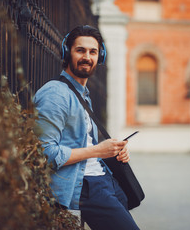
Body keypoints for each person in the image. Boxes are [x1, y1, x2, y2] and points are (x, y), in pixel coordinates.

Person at [34, 25, 139, 230]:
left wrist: (112, 150)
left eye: (93, 52)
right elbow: (45, 153)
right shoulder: (55, 94)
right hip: (84, 186)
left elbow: (83, 143)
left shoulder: (83, 94)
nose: (87, 57)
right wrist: (98, 150)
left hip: (103, 179)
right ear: (67, 52)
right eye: (80, 50)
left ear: (100, 57)